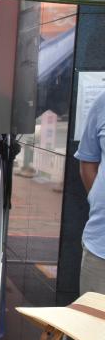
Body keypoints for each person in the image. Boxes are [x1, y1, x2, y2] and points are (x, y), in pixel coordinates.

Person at [76, 91, 105, 293]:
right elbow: (88, 160)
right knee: (92, 313)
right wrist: (96, 198)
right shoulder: (102, 103)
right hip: (100, 246)